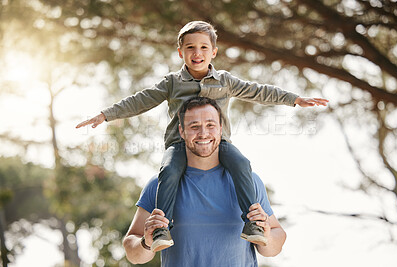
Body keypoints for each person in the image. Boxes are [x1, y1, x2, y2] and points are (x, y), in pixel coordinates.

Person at [76, 21, 328, 252]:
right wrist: (105, 115)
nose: (197, 53)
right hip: (179, 144)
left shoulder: (225, 81)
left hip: (221, 144)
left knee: (241, 164)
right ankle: (162, 228)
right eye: (190, 48)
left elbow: (259, 91)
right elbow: (140, 100)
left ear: (213, 52)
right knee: (169, 170)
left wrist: (294, 99)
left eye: (203, 47)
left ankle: (253, 224)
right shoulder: (172, 82)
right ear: (180, 52)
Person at [123, 97, 287, 266]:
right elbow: (133, 253)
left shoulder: (250, 181)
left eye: (210, 125)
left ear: (221, 128)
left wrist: (266, 235)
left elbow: (275, 245)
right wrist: (146, 242)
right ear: (181, 131)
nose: (203, 133)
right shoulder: (158, 185)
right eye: (194, 126)